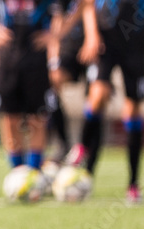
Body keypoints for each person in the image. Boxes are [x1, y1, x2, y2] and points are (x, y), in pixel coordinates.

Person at [65, 0, 144, 204]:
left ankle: (133, 184)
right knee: (97, 95)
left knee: (132, 111)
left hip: (135, 48)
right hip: (105, 43)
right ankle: (82, 146)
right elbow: (87, 4)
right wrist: (91, 35)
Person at [0, 0, 65, 173]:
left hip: (37, 61)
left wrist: (56, 36)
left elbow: (78, 6)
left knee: (37, 119)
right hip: (6, 61)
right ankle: (17, 172)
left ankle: (34, 173)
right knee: (10, 118)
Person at [46, 0, 100, 162]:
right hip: (71, 47)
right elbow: (58, 20)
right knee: (51, 87)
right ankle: (64, 144)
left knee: (97, 100)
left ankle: (87, 152)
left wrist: (92, 38)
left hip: (100, 47)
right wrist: (53, 60)